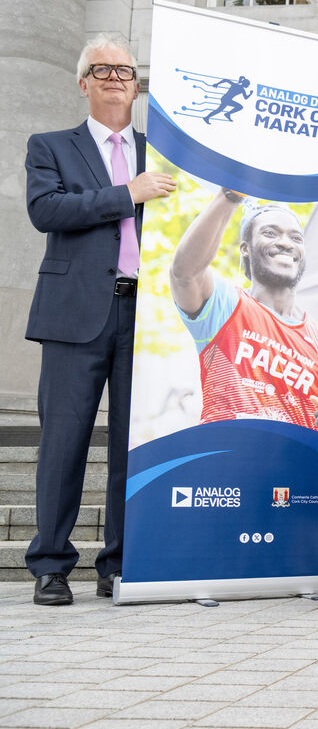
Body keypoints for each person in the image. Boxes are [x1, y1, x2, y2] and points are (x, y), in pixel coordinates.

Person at [24, 34, 176, 605]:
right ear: (83, 82)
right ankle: (51, 564)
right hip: (73, 315)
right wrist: (126, 193)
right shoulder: (51, 146)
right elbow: (46, 210)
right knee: (63, 443)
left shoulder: (160, 152)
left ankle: (117, 563)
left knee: (130, 448)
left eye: (125, 70)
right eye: (102, 69)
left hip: (146, 314)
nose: (115, 77)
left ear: (137, 86)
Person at [169, 190, 318, 446]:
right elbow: (184, 274)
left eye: (296, 237)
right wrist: (229, 196)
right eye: (270, 233)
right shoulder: (224, 305)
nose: (285, 242)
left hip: (296, 477)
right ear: (245, 248)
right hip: (223, 471)